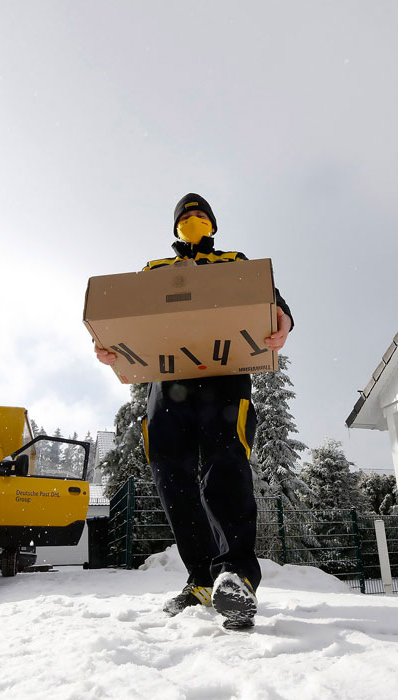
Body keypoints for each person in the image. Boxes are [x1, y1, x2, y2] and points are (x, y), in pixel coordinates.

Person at [95, 193, 293, 629]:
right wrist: (108, 345)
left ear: (213, 226)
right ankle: (200, 579)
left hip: (225, 377)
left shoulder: (234, 262)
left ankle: (237, 575)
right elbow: (125, 317)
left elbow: (272, 304)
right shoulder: (154, 272)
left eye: (201, 215)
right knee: (170, 476)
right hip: (168, 384)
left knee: (225, 467)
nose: (193, 220)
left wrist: (283, 322)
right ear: (175, 228)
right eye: (186, 216)